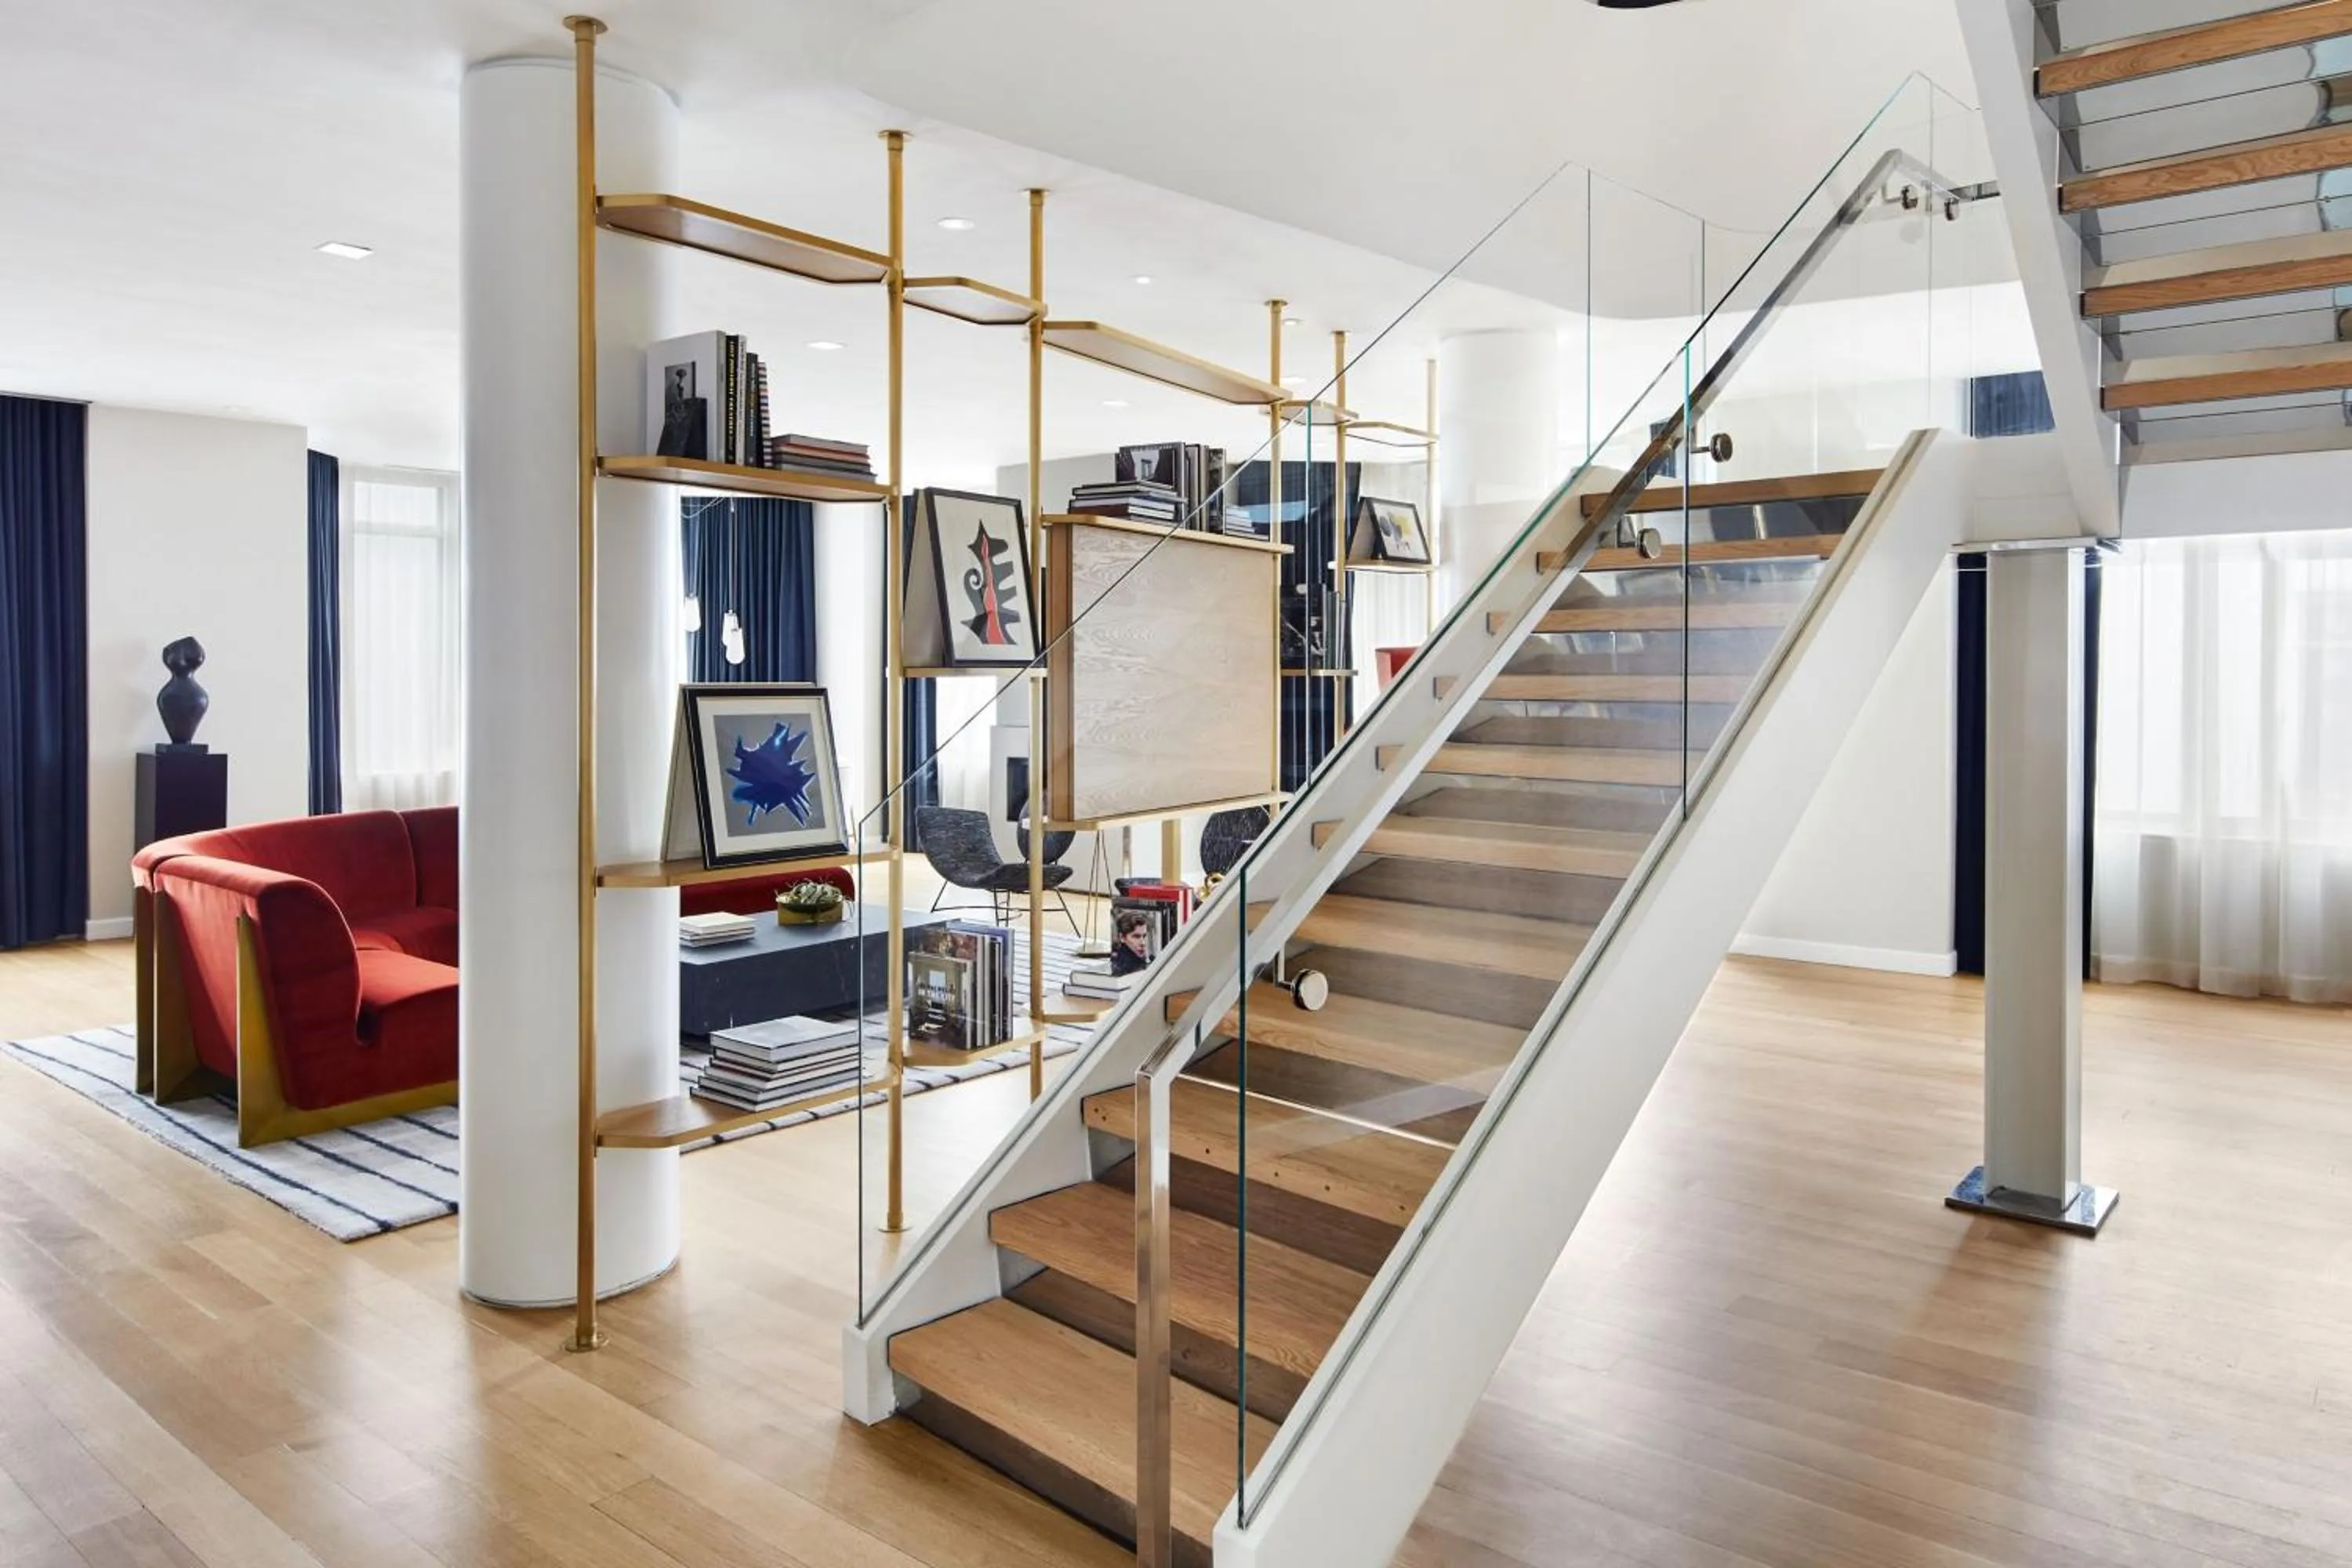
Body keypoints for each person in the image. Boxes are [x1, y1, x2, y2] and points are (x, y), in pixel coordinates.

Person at [1110, 909, 1155, 976]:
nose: (1143, 943)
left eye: (1144, 936)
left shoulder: (1139, 961)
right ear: (1122, 937)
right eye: (1136, 937)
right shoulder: (1124, 968)